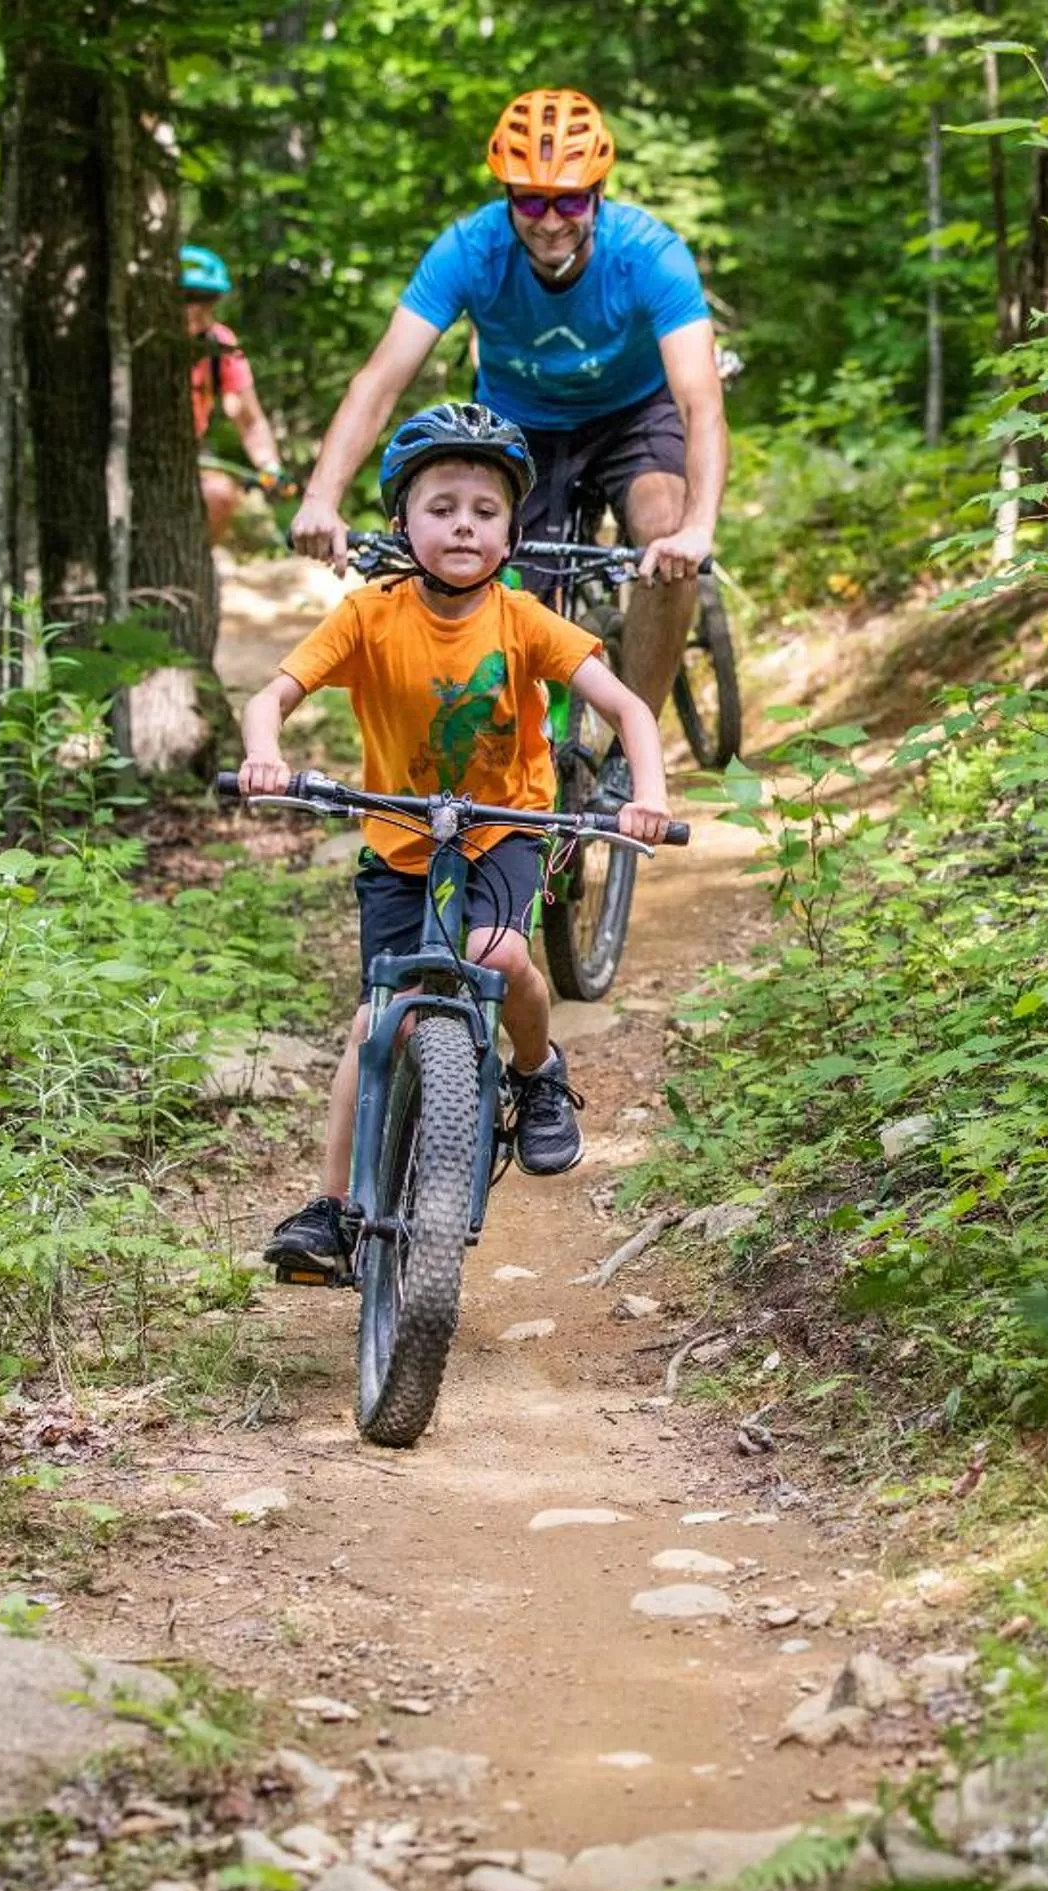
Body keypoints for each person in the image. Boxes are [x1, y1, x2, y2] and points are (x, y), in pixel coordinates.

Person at [240, 403, 674, 1277]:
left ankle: (538, 1071)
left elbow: (626, 707)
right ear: (403, 523)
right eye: (442, 508)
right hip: (401, 845)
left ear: (514, 531)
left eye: (484, 510)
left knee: (497, 952)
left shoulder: (522, 621)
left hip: (503, 830)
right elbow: (270, 698)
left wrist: (648, 798)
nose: (463, 526)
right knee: (374, 1022)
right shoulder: (368, 614)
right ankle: (335, 1210)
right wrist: (264, 756)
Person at [289, 89, 727, 759]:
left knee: (665, 542)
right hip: (520, 425)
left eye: (570, 201)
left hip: (632, 414)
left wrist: (698, 529)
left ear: (599, 193)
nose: (550, 220)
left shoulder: (650, 253)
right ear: (506, 198)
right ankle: (529, 755)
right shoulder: (470, 249)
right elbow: (379, 383)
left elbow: (699, 401)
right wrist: (321, 498)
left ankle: (626, 750)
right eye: (530, 201)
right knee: (500, 585)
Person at [185, 245, 291, 544]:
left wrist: (269, 465)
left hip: (189, 453)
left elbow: (248, 418)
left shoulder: (220, 344)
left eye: (207, 300)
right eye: (188, 298)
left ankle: (196, 562)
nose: (197, 309)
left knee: (218, 495)